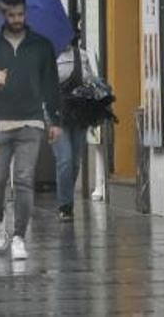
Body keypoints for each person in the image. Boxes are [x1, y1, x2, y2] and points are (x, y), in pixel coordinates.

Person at [0, 0, 60, 262]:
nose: (16, 20)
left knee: (24, 180)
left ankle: (19, 237)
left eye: (20, 15)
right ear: (3, 15)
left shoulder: (41, 46)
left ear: (26, 14)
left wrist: (54, 120)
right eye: (11, 15)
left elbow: (51, 84)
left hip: (31, 122)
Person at [54, 36, 96, 221]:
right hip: (56, 116)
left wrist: (92, 90)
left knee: (75, 163)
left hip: (79, 115)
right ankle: (65, 205)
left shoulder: (83, 56)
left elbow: (93, 80)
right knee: (65, 160)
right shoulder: (49, 57)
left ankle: (66, 197)